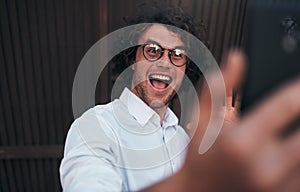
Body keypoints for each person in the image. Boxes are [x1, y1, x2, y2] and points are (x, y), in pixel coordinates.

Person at [60, 2, 225, 191]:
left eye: (178, 54)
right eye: (153, 51)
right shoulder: (95, 126)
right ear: (132, 58)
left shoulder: (183, 140)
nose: (165, 62)